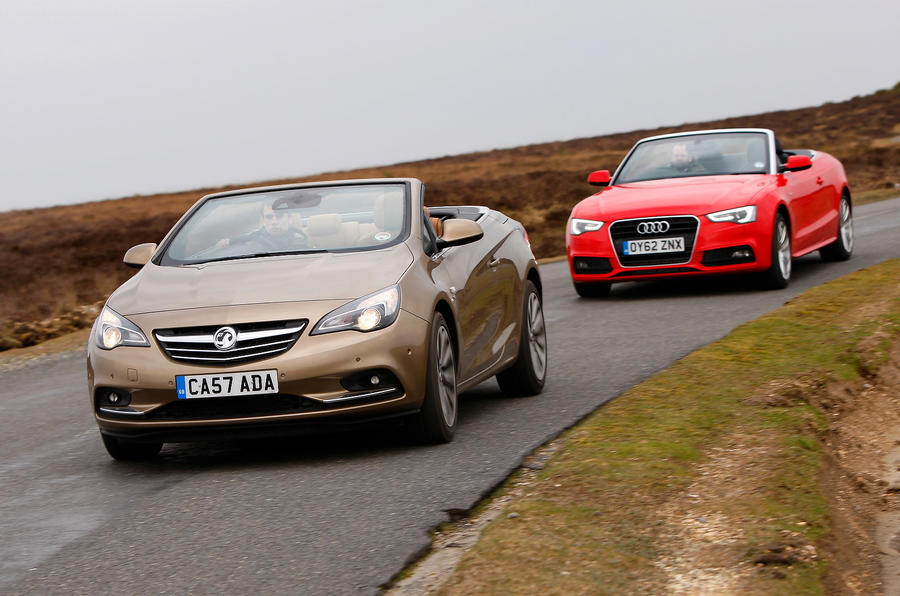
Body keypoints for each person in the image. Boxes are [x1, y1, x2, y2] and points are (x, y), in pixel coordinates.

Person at [216, 201, 310, 251]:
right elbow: (247, 237)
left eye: (279, 216)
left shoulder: (300, 242)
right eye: (269, 217)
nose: (274, 222)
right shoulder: (255, 237)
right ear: (264, 220)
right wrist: (228, 241)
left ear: (290, 219)